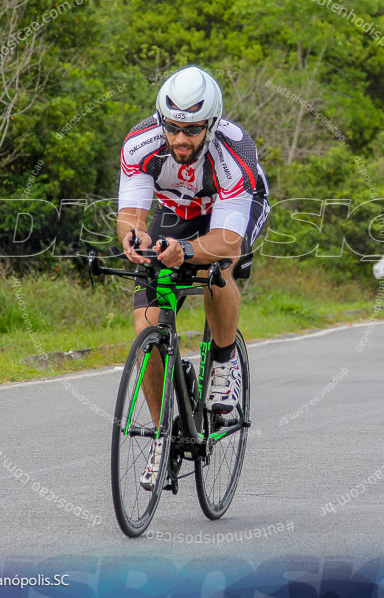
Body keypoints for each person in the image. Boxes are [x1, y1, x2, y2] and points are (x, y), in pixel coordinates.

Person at [116, 65, 270, 490]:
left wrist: (186, 251)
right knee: (146, 320)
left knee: (215, 269)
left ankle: (224, 362)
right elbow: (131, 214)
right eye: (173, 127)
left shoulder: (233, 154)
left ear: (212, 124)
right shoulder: (140, 144)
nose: (181, 139)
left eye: (193, 129)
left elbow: (226, 240)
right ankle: (162, 433)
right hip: (177, 209)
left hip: (232, 210)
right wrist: (136, 239)